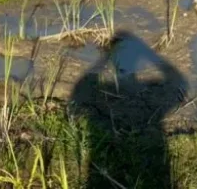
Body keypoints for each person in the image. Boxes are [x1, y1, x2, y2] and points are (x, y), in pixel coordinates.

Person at [70, 31, 187, 188]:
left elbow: (84, 85)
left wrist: (105, 58)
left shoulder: (96, 87)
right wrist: (151, 55)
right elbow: (178, 81)